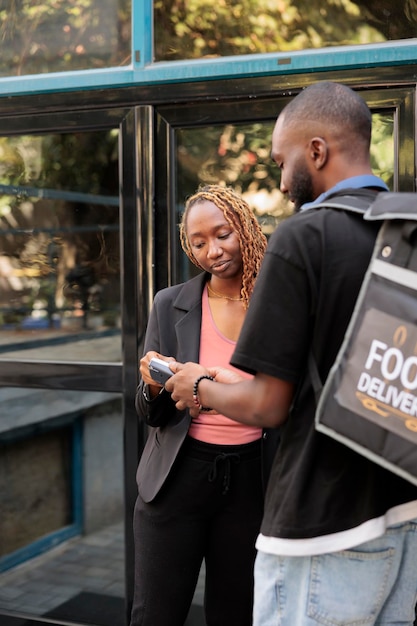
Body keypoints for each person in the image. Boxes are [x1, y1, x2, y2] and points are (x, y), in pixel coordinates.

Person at [166, 82, 417, 626]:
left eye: (283, 161)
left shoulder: (303, 236)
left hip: (322, 523)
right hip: (405, 512)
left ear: (318, 152)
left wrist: (197, 387)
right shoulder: (409, 227)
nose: (281, 181)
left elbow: (268, 405)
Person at [129, 184, 270, 626]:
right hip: (177, 476)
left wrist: (207, 384)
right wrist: (155, 384)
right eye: (199, 241)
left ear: (245, 229)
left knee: (237, 614)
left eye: (223, 234)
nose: (214, 250)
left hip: (254, 479)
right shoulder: (170, 304)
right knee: (155, 614)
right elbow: (150, 412)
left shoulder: (277, 301)